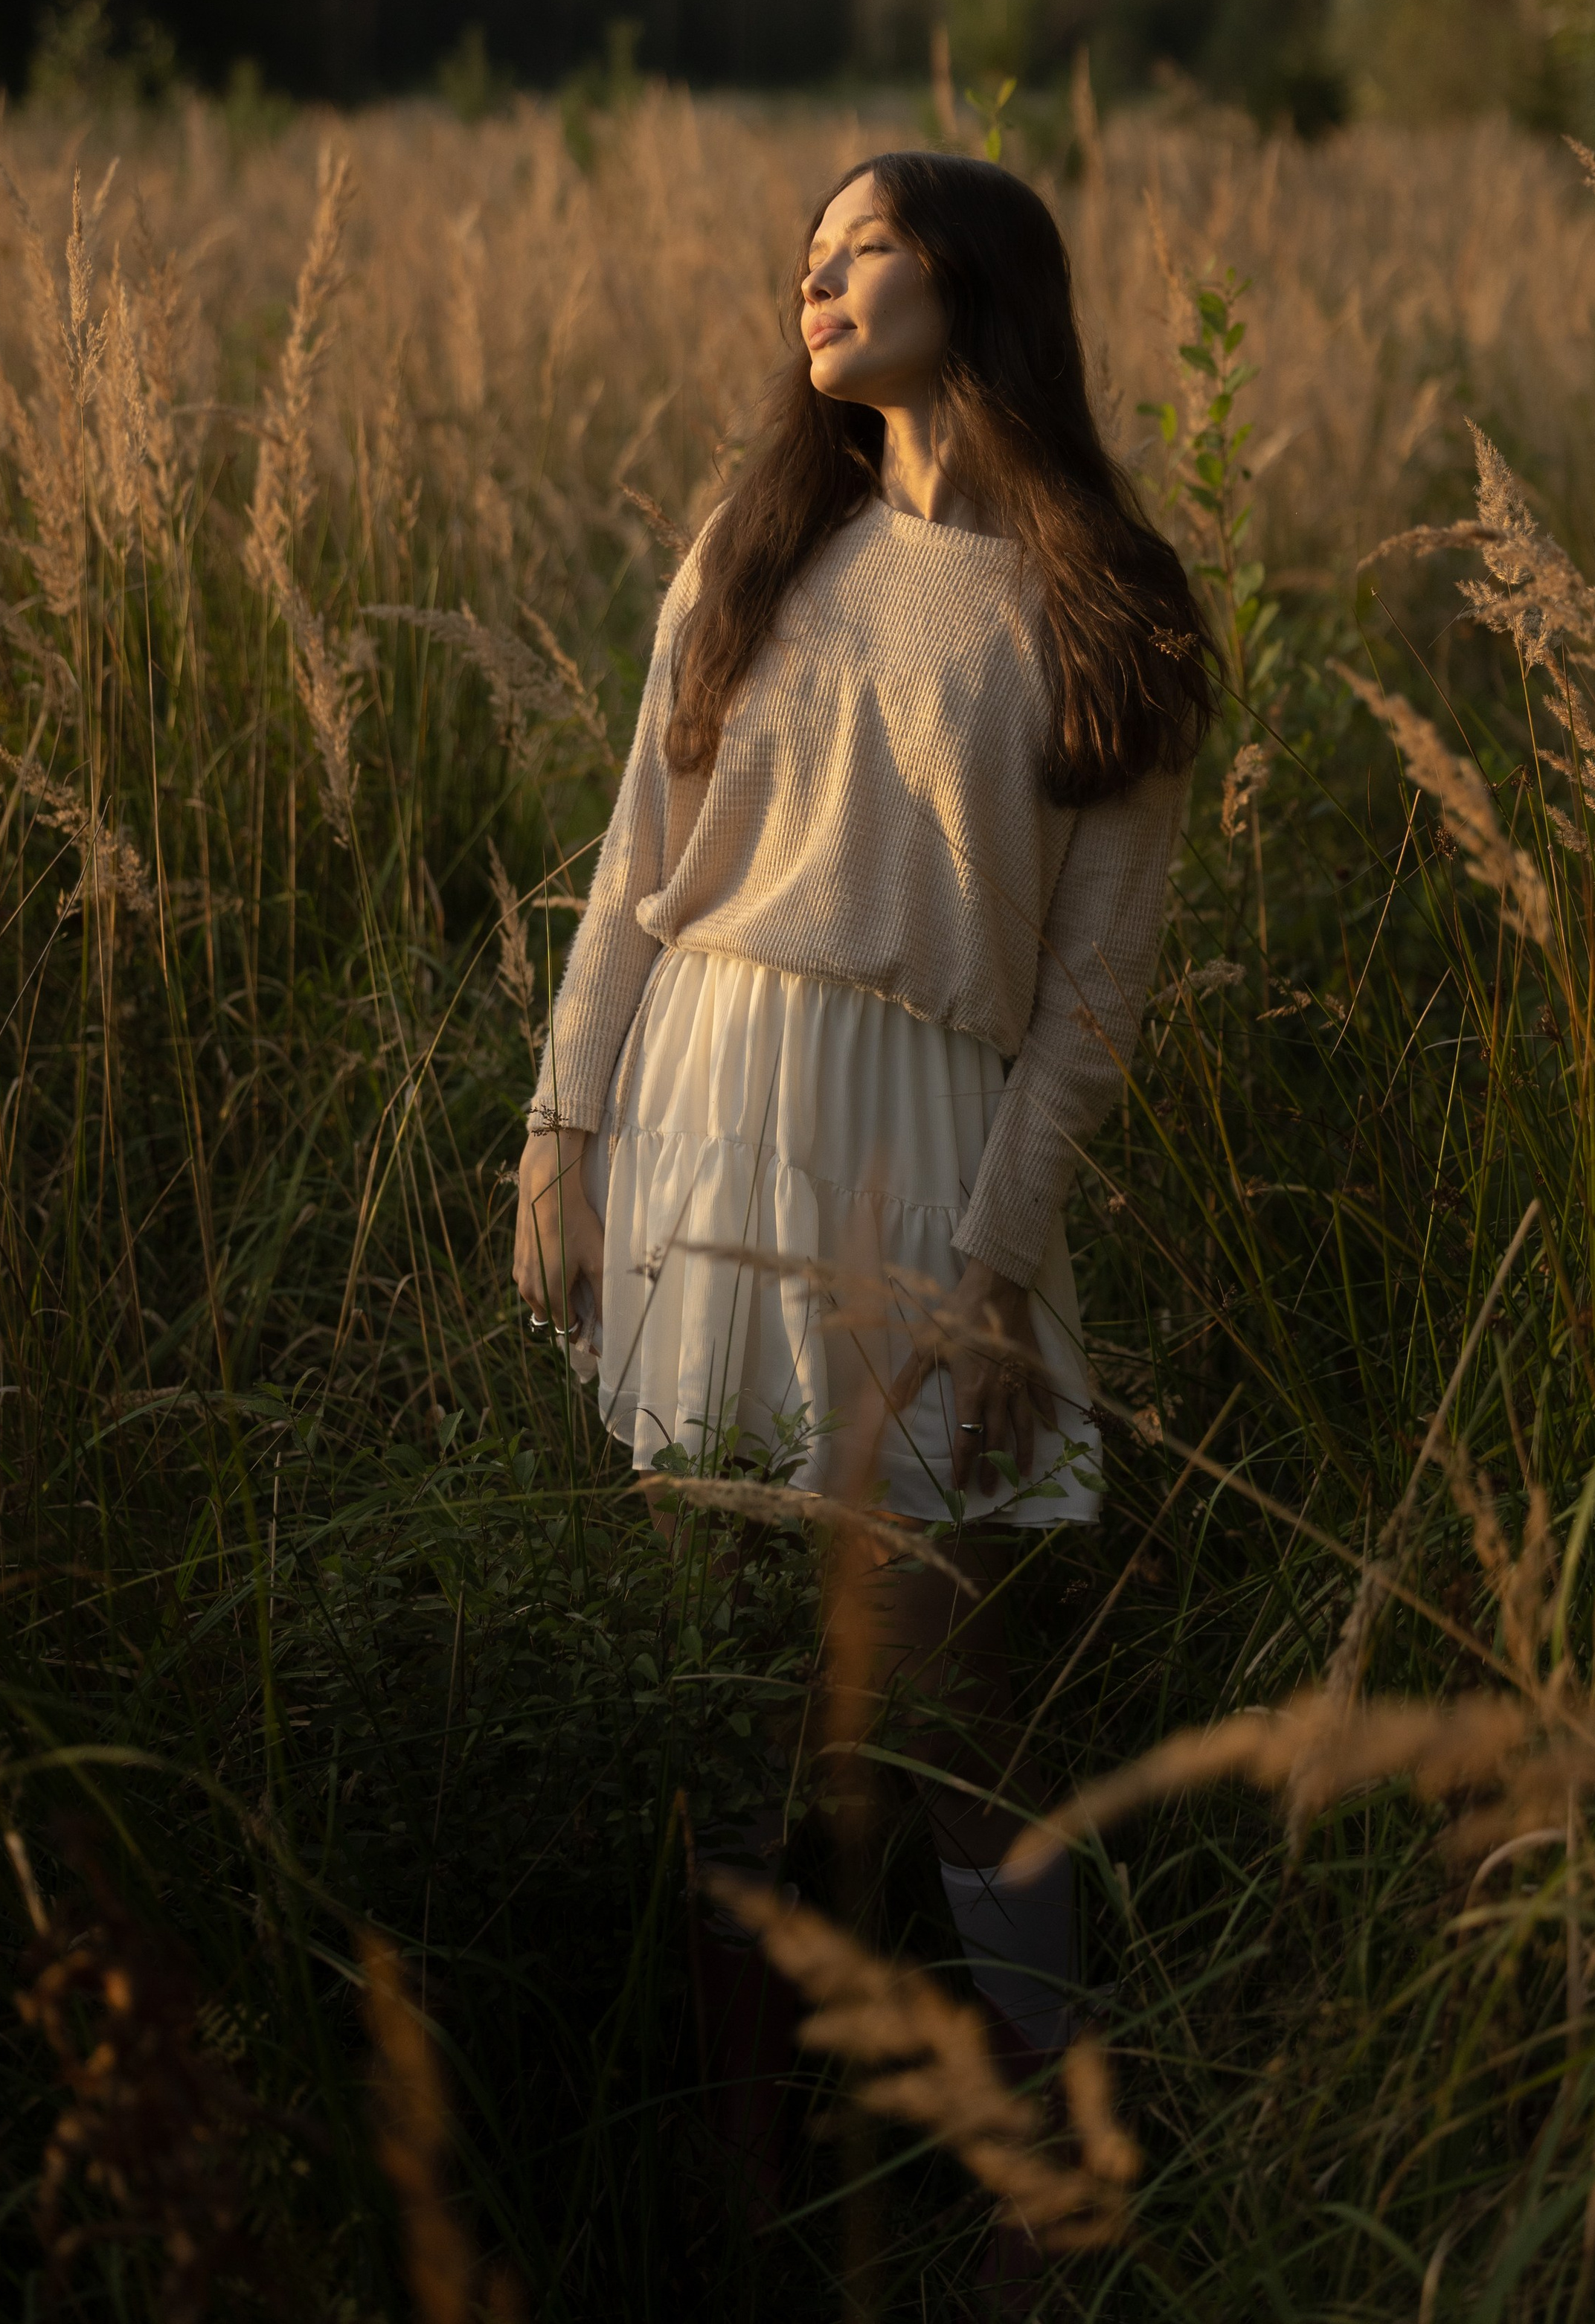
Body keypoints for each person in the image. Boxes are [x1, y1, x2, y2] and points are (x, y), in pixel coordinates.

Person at [511, 147, 1211, 2238]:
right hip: (701, 1102)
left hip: (925, 1149)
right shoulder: (759, 540)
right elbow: (640, 868)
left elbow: (1090, 1009)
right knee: (730, 1666)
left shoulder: (1111, 603)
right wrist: (562, 1132)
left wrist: (997, 1272)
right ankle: (753, 2175)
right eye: (805, 256)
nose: (815, 279)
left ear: (976, 280)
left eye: (863, 245)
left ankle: (1043, 2193)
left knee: (952, 1677)